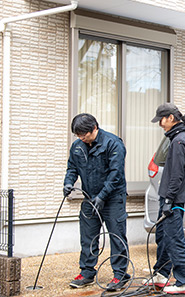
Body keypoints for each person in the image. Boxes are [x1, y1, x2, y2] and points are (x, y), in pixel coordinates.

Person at [63, 113, 131, 291]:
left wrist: (102, 195)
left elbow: (116, 174)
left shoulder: (113, 143)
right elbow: (72, 167)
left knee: (117, 236)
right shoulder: (77, 146)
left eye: (83, 134)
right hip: (89, 197)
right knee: (88, 237)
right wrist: (68, 182)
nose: (81, 138)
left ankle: (120, 275)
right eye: (78, 135)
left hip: (113, 198)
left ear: (94, 128)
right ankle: (86, 273)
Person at [146, 103, 185, 294]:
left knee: (174, 238)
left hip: (172, 200)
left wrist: (168, 200)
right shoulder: (178, 137)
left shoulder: (179, 141)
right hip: (169, 197)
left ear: (171, 118)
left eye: (161, 119)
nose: (160, 124)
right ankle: (161, 274)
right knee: (164, 236)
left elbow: (176, 175)